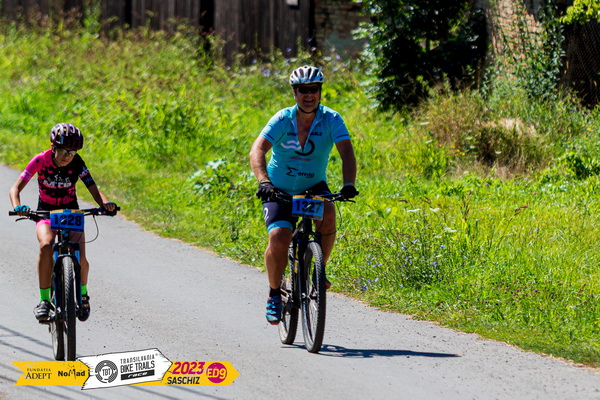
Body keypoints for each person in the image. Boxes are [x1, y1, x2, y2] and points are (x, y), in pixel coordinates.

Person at [249, 65, 358, 325]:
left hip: (313, 187)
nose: (309, 95)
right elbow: (257, 150)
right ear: (294, 93)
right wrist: (264, 181)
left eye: (313, 89)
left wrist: (348, 184)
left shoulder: (331, 119)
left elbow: (347, 153)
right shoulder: (282, 119)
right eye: (302, 90)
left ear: (320, 91)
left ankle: (319, 272)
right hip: (279, 188)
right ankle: (274, 293)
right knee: (279, 236)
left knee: (328, 212)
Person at [9, 123, 117, 322]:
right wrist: (18, 206)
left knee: (80, 255)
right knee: (46, 245)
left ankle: (83, 295)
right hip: (45, 212)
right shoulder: (40, 160)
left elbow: (93, 188)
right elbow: (15, 189)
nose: (68, 156)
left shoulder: (77, 163)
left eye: (73, 152)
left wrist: (105, 204)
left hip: (70, 212)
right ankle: (44, 300)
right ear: (53, 147)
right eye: (64, 151)